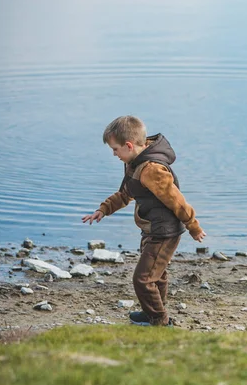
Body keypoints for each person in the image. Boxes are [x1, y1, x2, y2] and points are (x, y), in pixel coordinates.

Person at [82, 116, 206, 326]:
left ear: (129, 146)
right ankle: (154, 312)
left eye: (115, 149)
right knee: (156, 275)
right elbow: (125, 194)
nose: (114, 154)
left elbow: (177, 201)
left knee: (143, 278)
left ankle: (158, 320)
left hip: (164, 232)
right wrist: (103, 209)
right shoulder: (134, 163)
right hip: (151, 228)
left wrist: (193, 226)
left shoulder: (152, 170)